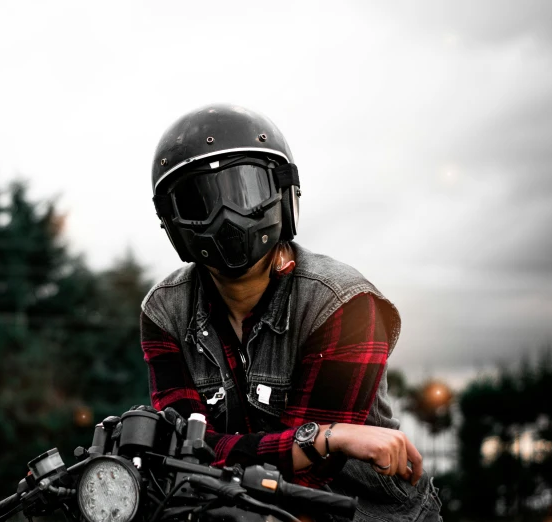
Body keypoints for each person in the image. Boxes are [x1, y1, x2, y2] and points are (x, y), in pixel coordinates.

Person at [140, 104, 442, 521]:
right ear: (171, 221)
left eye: (245, 190)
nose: (225, 217)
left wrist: (310, 445)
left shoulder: (345, 303)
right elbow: (184, 448)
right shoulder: (164, 311)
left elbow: (311, 474)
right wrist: (325, 439)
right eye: (199, 201)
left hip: (366, 511)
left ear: (283, 192)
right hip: (226, 509)